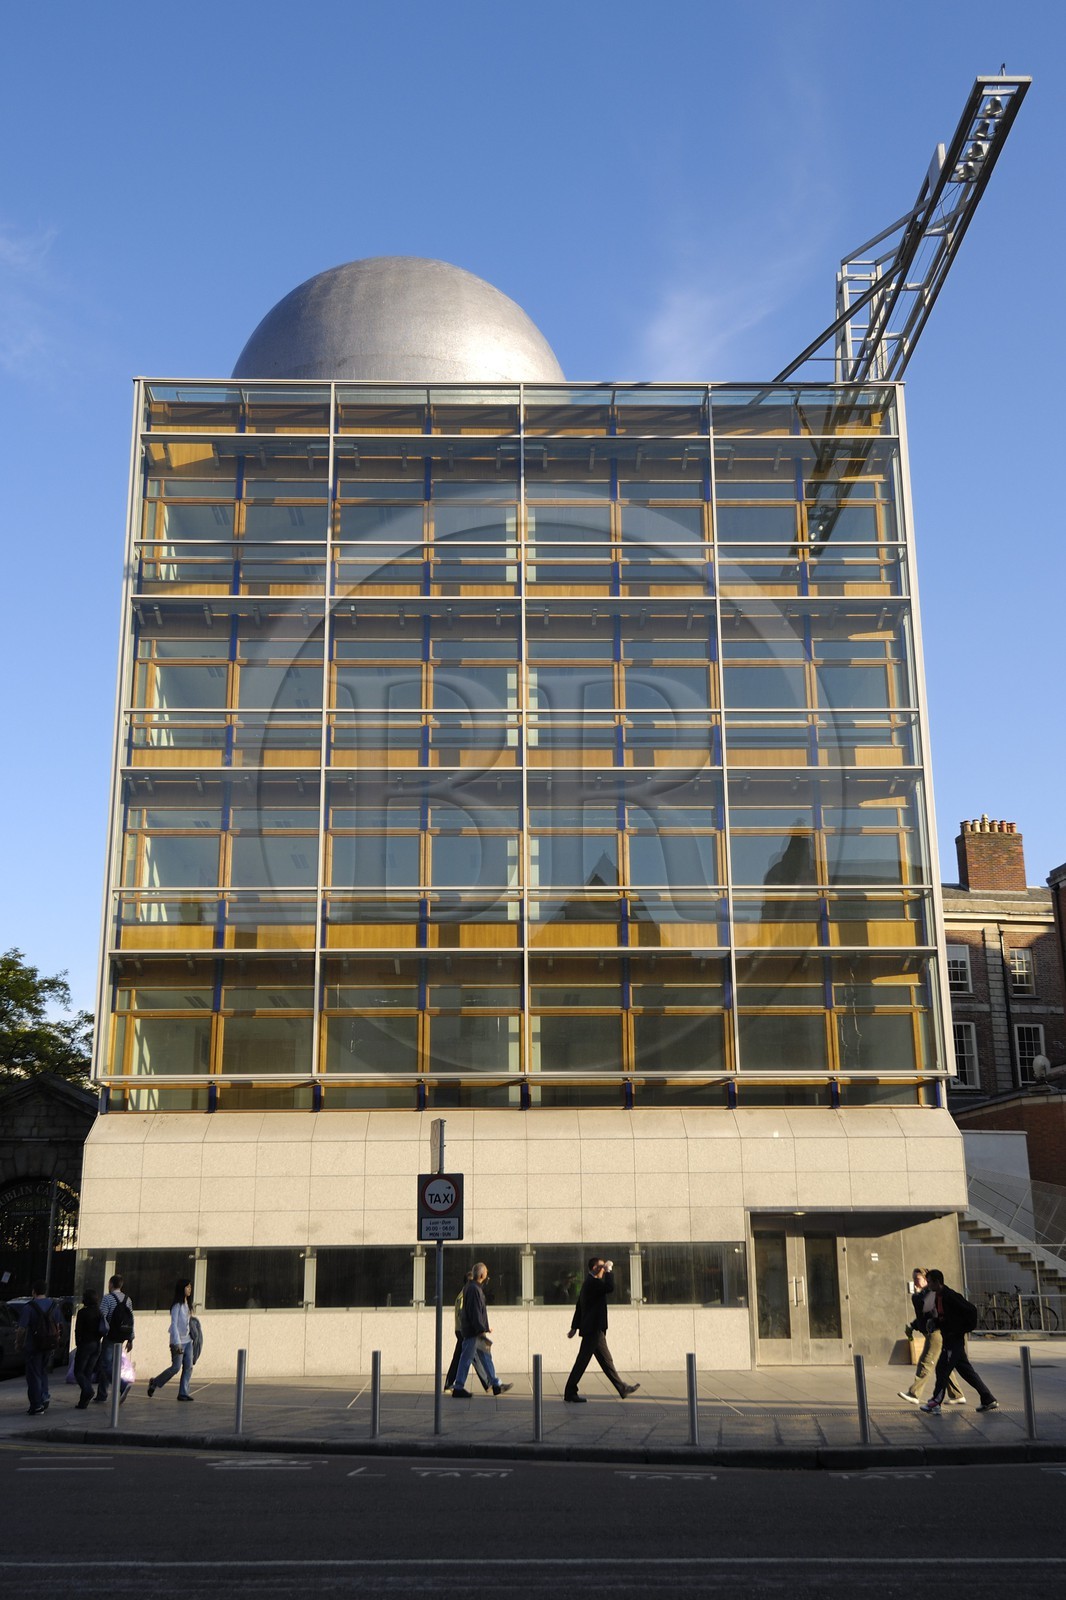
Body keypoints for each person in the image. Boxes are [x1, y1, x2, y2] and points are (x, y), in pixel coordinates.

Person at [919, 1268, 998, 1415]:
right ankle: (988, 1398)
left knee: (942, 1370)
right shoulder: (938, 1296)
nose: (928, 1285)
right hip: (950, 1338)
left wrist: (961, 1330)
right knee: (966, 1372)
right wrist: (935, 1322)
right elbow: (945, 1317)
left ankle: (935, 1402)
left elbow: (971, 1310)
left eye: (930, 1282)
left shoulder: (951, 1296)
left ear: (937, 1282)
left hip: (954, 1340)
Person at [564, 1256, 639, 1403]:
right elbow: (609, 1288)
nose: (604, 1270)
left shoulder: (590, 1283)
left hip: (594, 1329)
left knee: (606, 1361)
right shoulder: (593, 1283)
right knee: (583, 1361)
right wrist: (610, 1270)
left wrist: (574, 1327)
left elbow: (579, 1307)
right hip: (594, 1329)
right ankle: (570, 1392)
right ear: (595, 1268)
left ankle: (621, 1387)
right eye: (601, 1267)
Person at [898, 1266, 964, 1406]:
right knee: (942, 1365)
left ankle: (914, 1393)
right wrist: (914, 1325)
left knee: (926, 1362)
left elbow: (927, 1310)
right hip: (932, 1333)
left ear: (926, 1279)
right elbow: (924, 1316)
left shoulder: (929, 1293)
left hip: (935, 1334)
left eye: (918, 1278)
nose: (915, 1281)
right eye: (914, 1278)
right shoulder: (926, 1293)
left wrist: (916, 1295)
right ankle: (957, 1394)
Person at [450, 1262, 513, 1399]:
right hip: (474, 1331)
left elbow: (476, 1311)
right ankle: (458, 1387)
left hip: (474, 1330)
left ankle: (496, 1384)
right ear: (482, 1275)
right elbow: (476, 1311)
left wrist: (483, 1327)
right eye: (486, 1273)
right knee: (466, 1358)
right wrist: (481, 1328)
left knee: (485, 1356)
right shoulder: (474, 1289)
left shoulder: (471, 1288)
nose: (487, 1276)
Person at [14, 1281, 63, 1416]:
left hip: (34, 1345)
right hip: (49, 1344)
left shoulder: (29, 1307)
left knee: (33, 1375)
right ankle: (44, 1396)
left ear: (33, 1291)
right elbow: (58, 1326)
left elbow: (22, 1329)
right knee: (43, 1371)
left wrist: (18, 1344)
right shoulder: (54, 1306)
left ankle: (36, 1405)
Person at [147, 1279, 196, 1402]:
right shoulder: (176, 1306)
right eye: (187, 1287)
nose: (190, 1289)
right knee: (176, 1367)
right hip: (177, 1341)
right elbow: (174, 1325)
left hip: (188, 1341)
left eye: (190, 1287)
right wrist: (177, 1343)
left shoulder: (188, 1305)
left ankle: (183, 1393)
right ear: (182, 1288)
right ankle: (155, 1382)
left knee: (188, 1367)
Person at [444, 1270, 491, 1394]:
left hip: (462, 1330)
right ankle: (487, 1383)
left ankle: (450, 1384)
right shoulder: (467, 1294)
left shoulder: (463, 1293)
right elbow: (464, 1313)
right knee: (473, 1356)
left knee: (465, 1357)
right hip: (465, 1331)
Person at [95, 1273, 135, 1404]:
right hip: (123, 1336)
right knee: (112, 1365)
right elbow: (131, 1320)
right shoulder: (127, 1299)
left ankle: (121, 1385)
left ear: (111, 1284)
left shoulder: (107, 1298)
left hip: (110, 1336)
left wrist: (101, 1332)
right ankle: (101, 1393)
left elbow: (102, 1316)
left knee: (105, 1364)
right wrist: (130, 1339)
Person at [72, 1288, 102, 1410]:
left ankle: (88, 1391)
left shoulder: (83, 1313)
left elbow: (78, 1330)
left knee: (78, 1372)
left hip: (85, 1344)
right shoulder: (99, 1312)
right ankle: (83, 1402)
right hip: (96, 1344)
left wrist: (78, 1343)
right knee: (87, 1373)